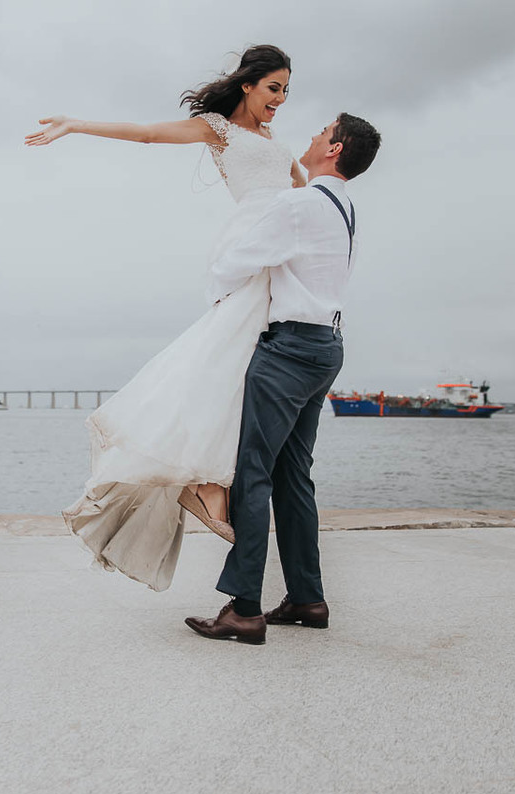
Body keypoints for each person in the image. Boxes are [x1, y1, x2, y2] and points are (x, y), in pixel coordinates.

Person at [26, 45, 304, 591]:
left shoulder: (278, 142)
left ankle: (207, 482)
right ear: (248, 85)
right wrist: (75, 124)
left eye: (287, 91)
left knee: (242, 359)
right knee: (230, 352)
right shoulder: (218, 129)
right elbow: (149, 134)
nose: (281, 100)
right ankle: (205, 482)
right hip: (250, 248)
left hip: (279, 252)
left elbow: (305, 193)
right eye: (274, 87)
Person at [184, 112, 382, 645]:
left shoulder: (297, 204)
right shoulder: (348, 212)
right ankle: (306, 598)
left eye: (323, 130)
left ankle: (243, 607)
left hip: (290, 348)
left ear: (334, 148)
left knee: (253, 472)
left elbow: (236, 263)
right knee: (294, 475)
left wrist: (223, 307)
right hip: (326, 347)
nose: (313, 134)